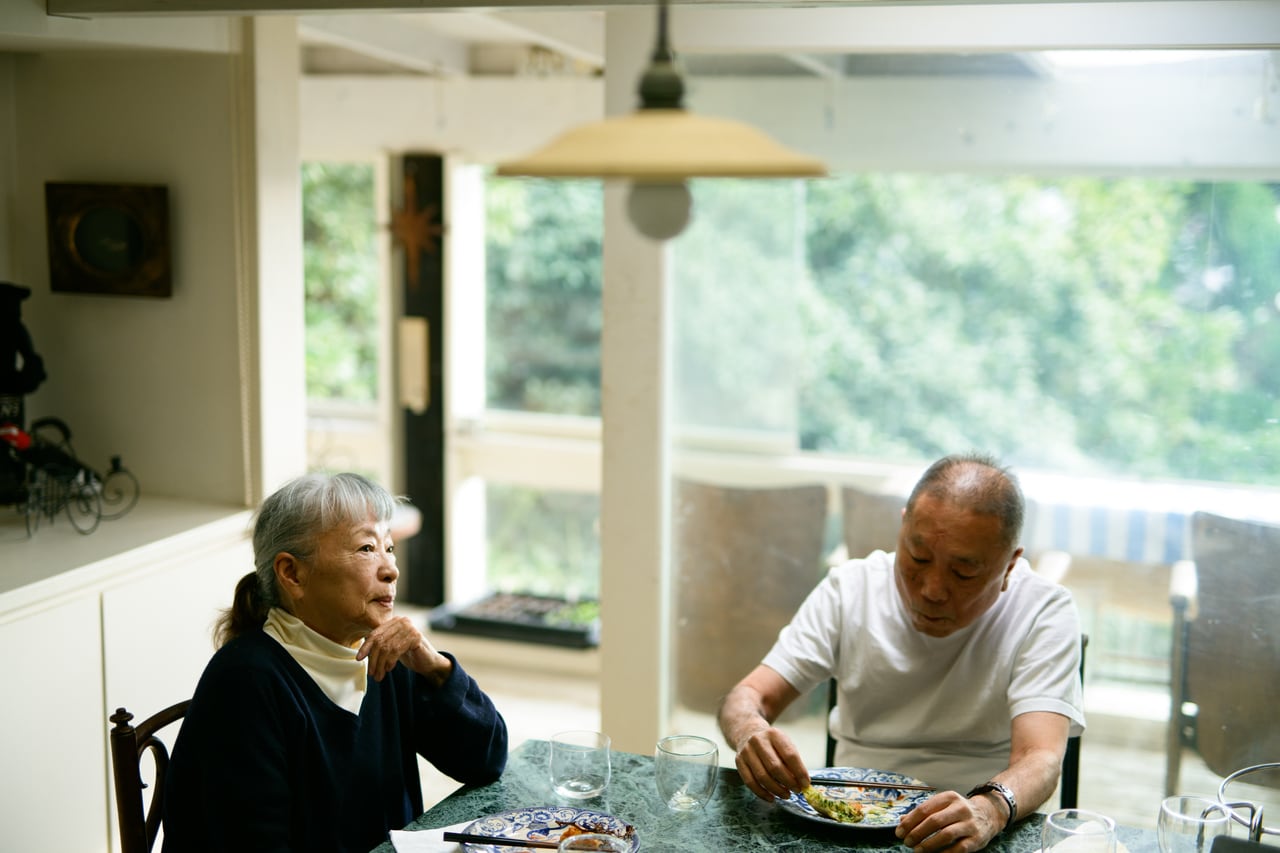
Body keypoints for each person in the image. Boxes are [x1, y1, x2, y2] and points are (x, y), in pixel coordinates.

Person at [718, 453, 1084, 853]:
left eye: (963, 573)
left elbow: (1042, 757)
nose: (931, 589)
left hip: (972, 827)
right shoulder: (851, 589)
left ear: (1011, 564)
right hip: (849, 823)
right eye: (918, 557)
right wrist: (750, 732)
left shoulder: (1043, 611)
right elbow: (747, 697)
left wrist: (990, 810)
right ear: (903, 525)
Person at [163, 472, 508, 853]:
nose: (390, 569)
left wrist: (436, 668)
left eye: (388, 548)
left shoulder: (386, 656)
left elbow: (486, 761)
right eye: (365, 549)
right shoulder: (244, 683)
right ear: (292, 573)